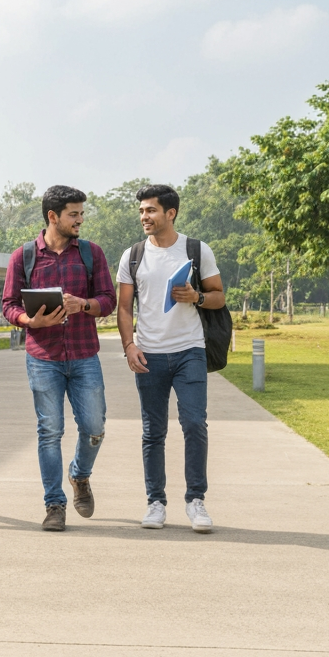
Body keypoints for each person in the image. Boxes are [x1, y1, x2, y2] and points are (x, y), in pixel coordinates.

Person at [1, 185, 116, 532]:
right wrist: (28, 320)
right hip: (43, 358)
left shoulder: (91, 254)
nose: (80, 219)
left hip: (84, 355)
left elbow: (107, 300)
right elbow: (9, 305)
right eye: (74, 214)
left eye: (81, 213)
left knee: (94, 428)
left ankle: (79, 475)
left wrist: (83, 304)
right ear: (53, 217)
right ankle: (54, 505)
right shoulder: (23, 257)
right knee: (50, 431)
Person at [116, 184, 225, 534]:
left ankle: (196, 500)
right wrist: (129, 346)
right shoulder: (133, 255)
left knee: (194, 423)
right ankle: (155, 502)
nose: (145, 217)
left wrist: (196, 296)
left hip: (189, 350)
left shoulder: (196, 249)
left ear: (171, 213)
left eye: (151, 211)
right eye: (142, 211)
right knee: (153, 432)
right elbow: (123, 306)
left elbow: (219, 297)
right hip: (149, 353)